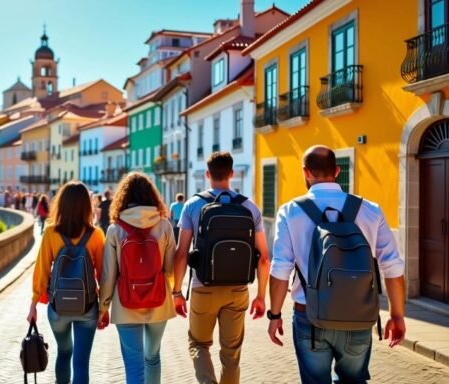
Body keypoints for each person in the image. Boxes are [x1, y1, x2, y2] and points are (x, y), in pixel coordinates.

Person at [267, 145, 406, 383]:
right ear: (337, 171)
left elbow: (281, 267)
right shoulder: (370, 210)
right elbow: (392, 267)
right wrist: (397, 315)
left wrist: (275, 314)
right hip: (358, 315)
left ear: (305, 172)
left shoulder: (290, 211)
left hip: (308, 314)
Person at [173, 151, 270, 384]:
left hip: (202, 287)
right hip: (238, 290)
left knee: (198, 344)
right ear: (231, 174)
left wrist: (177, 292)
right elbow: (264, 258)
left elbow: (181, 253)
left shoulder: (193, 205)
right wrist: (261, 296)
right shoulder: (249, 207)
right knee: (231, 353)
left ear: (208, 174)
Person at [98, 172, 176, 384]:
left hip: (126, 304)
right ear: (152, 196)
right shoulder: (165, 226)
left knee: (134, 366)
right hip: (158, 301)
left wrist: (103, 307)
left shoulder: (115, 230)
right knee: (152, 358)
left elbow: (108, 275)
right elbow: (170, 269)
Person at [27, 181, 105, 384]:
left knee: (64, 352)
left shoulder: (51, 233)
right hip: (87, 307)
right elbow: (103, 275)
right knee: (81, 363)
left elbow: (41, 270)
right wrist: (104, 308)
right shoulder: (96, 235)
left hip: (58, 307)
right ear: (87, 206)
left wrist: (34, 304)